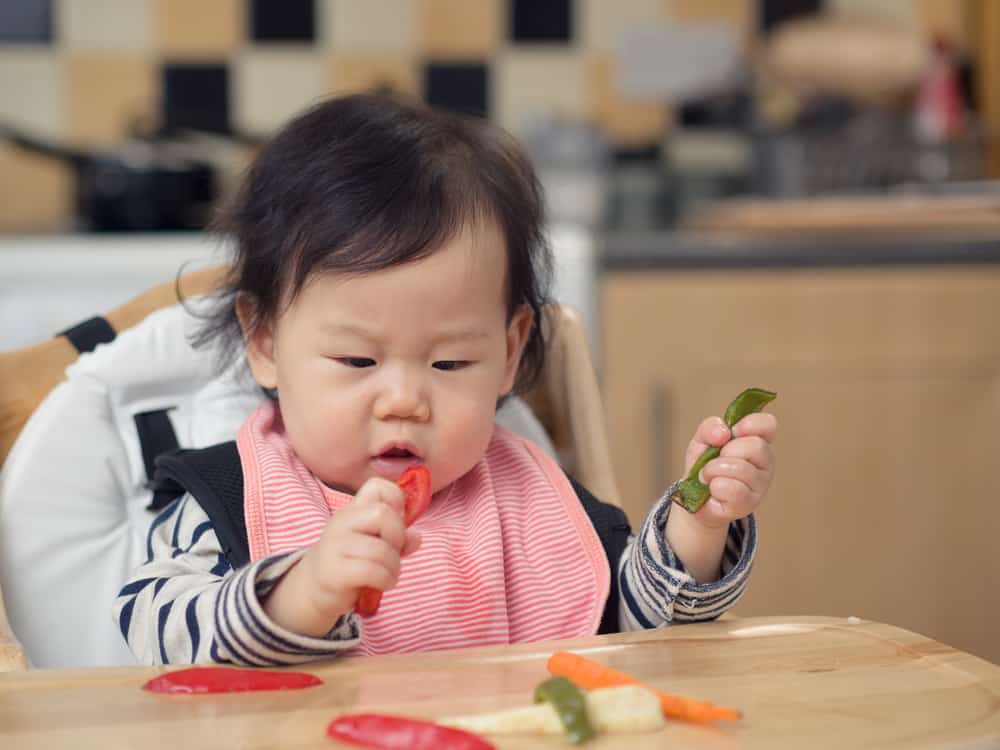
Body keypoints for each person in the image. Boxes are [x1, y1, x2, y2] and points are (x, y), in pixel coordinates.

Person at [114, 93, 777, 665]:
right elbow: (158, 632)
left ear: (510, 351)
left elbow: (633, 633)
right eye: (358, 361)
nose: (404, 400)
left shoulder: (528, 496)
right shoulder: (229, 498)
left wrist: (700, 523)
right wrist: (303, 592)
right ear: (264, 342)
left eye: (449, 363)